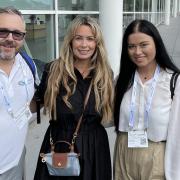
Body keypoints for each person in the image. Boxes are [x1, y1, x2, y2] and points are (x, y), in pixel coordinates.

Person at [34, 15, 114, 180]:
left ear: (97, 43)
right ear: (70, 41)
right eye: (78, 38)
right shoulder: (53, 70)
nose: (84, 45)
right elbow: (35, 104)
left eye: (90, 39)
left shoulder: (105, 74)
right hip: (60, 143)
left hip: (95, 147)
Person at [113, 19, 180, 180]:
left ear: (156, 44)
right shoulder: (122, 80)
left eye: (143, 45)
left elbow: (177, 134)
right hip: (124, 153)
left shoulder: (173, 82)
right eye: (131, 46)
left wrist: (174, 174)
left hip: (156, 156)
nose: (137, 52)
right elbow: (107, 118)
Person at [0, 7, 38, 180]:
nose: (9, 39)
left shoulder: (28, 65)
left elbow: (30, 102)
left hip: (16, 162)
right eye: (3, 32)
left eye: (17, 34)